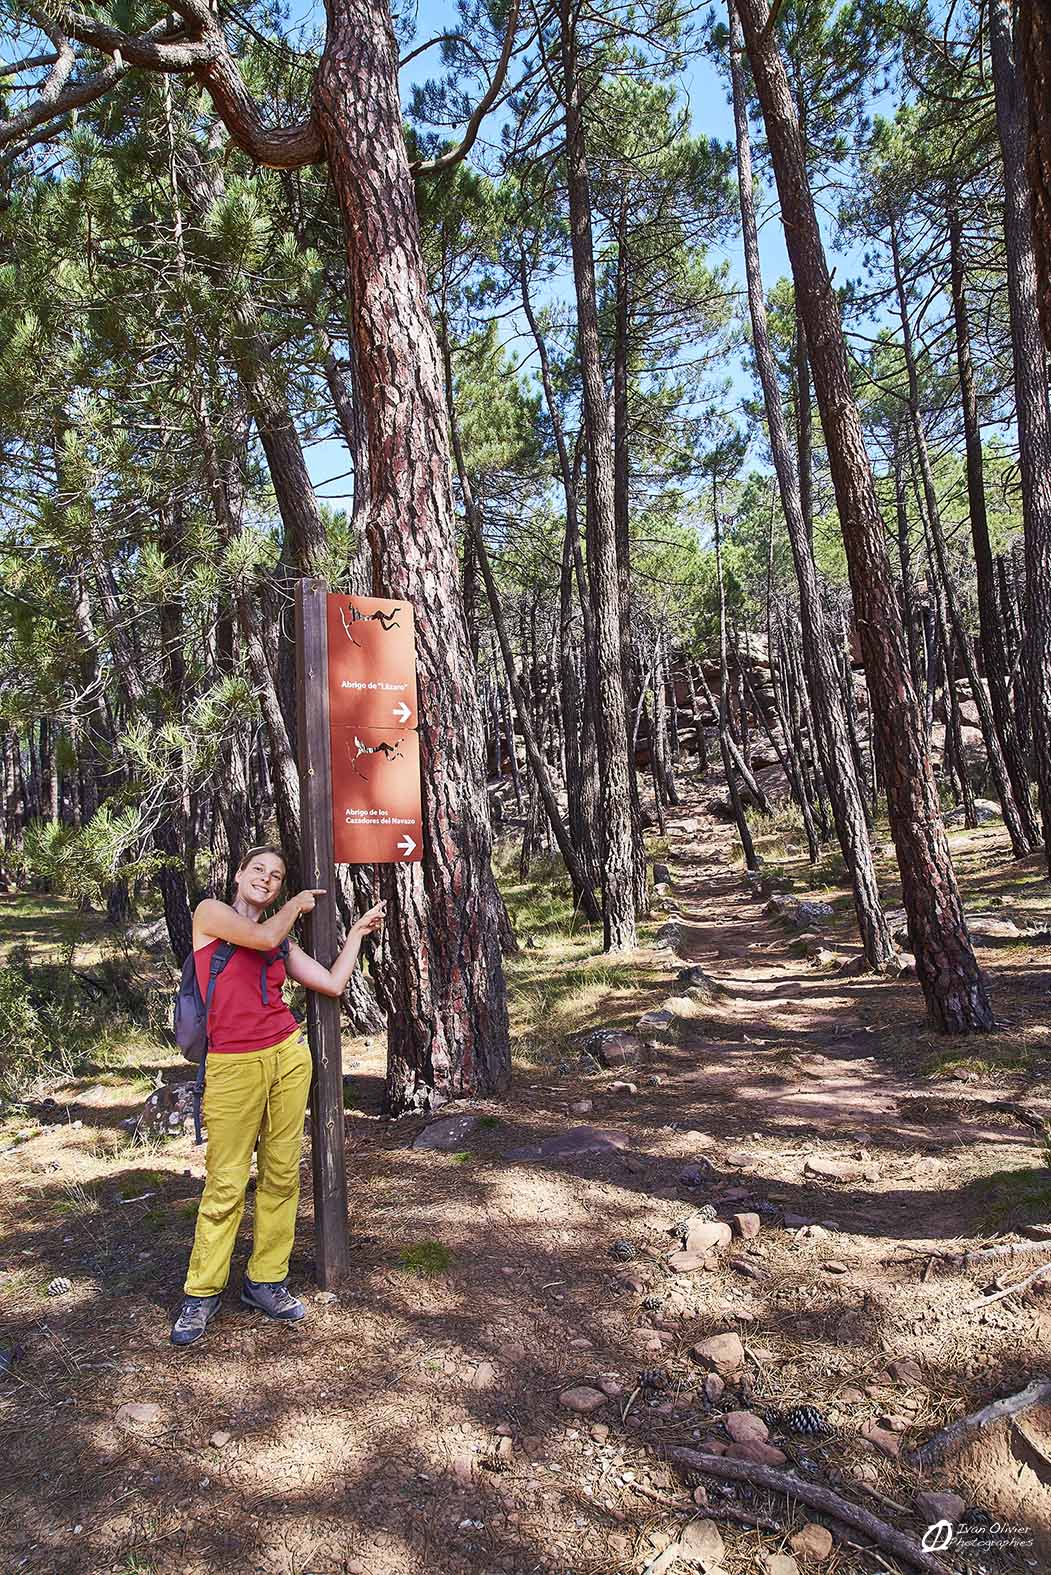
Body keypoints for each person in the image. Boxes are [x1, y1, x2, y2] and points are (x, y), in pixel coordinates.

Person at [171, 845, 384, 1346]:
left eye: (276, 876)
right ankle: (201, 1292)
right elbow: (264, 934)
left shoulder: (279, 942)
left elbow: (331, 983)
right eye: (259, 870)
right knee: (226, 1181)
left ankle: (265, 1280)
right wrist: (295, 905)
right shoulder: (211, 914)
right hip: (232, 1066)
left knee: (282, 1173)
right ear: (239, 874)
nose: (266, 880)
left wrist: (355, 934)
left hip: (287, 1057)